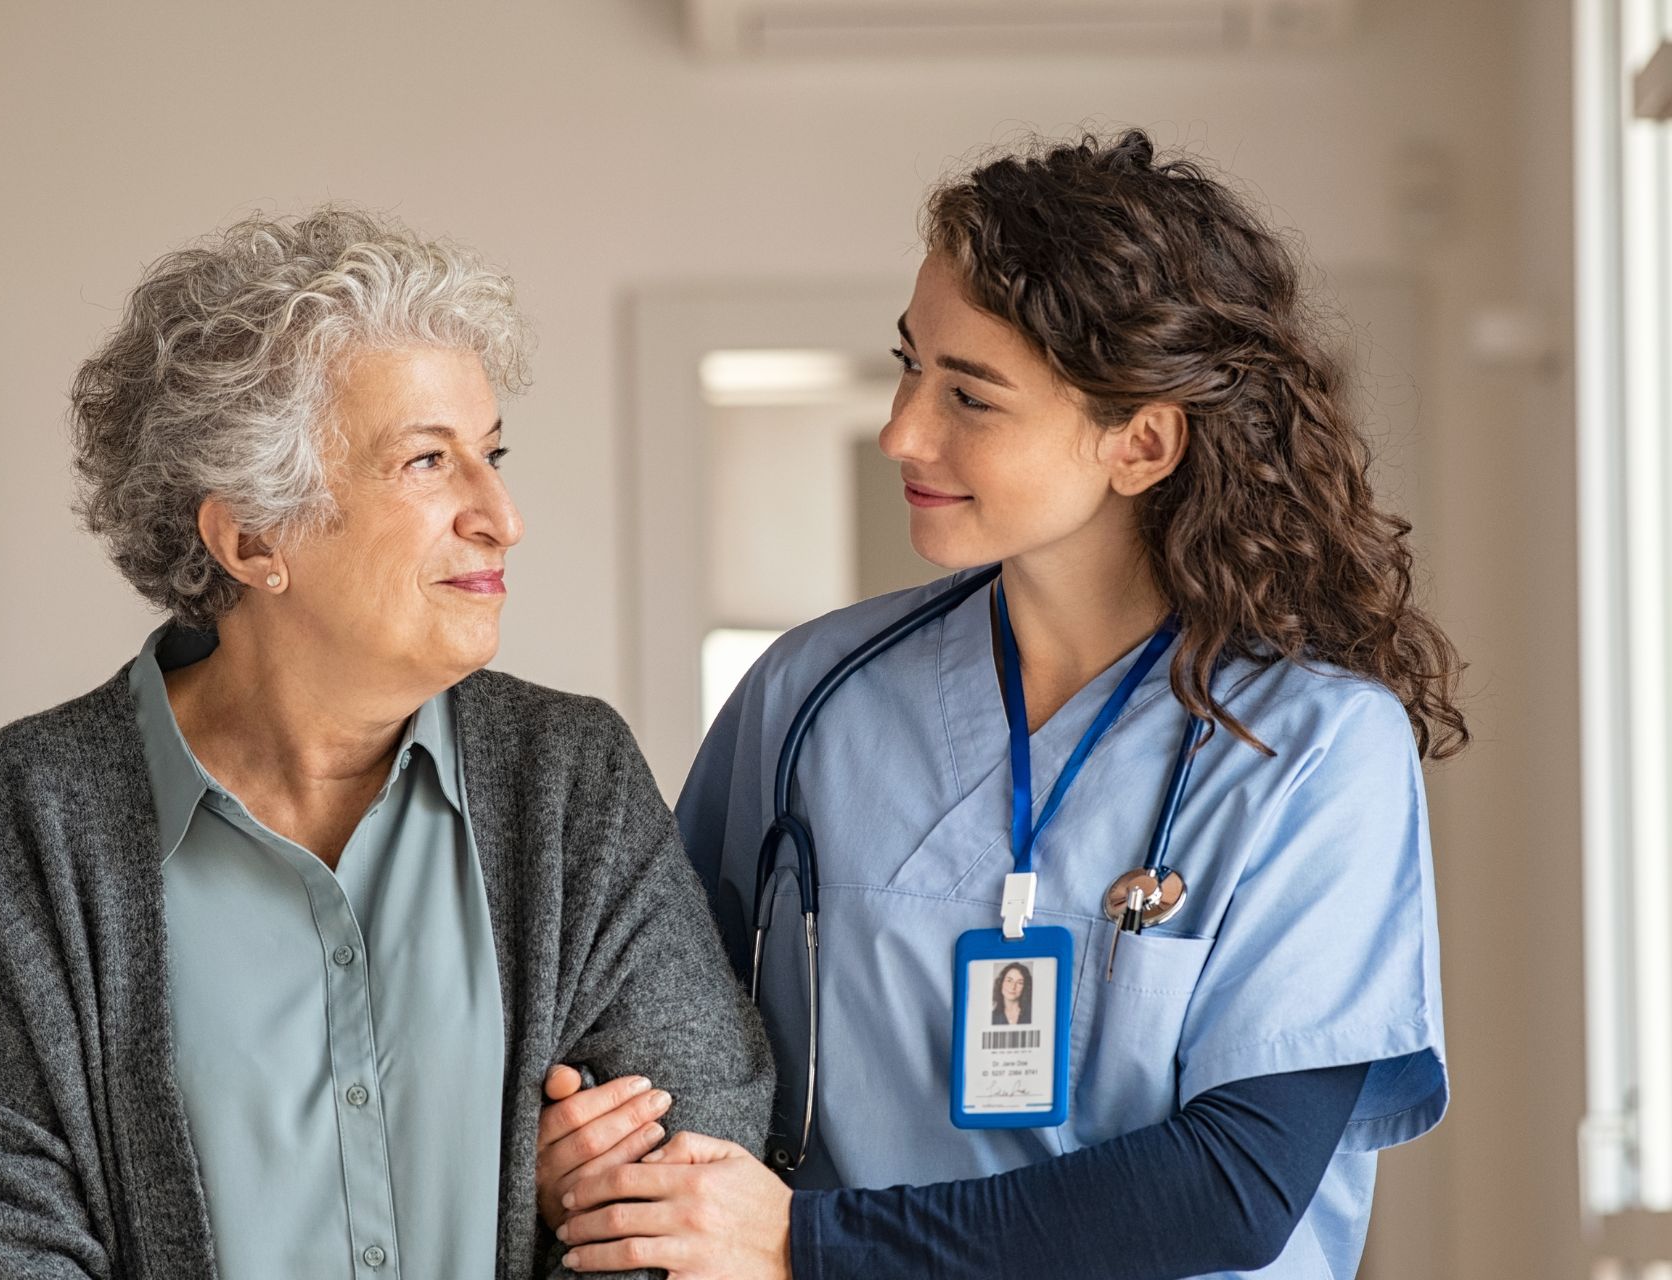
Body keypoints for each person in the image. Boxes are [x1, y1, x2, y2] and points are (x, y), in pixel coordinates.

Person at [540, 130, 1459, 1280]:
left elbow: (1237, 1181)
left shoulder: (1310, 748)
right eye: (908, 365)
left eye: (969, 395)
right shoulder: (808, 696)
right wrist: (596, 1144)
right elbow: (656, 1033)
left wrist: (808, 1242)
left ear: (1140, 441)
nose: (900, 430)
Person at [0, 207, 771, 1279]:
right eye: (427, 461)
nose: (499, 514)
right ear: (253, 536)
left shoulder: (571, 778)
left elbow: (691, 1187)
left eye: (489, 452)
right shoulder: (32, 817)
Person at [992, 962, 1032, 1027]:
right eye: (1009, 980)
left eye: (1020, 983)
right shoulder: (992, 1017)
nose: (1013, 987)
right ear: (1001, 982)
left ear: (1025, 987)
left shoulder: (1032, 1013)